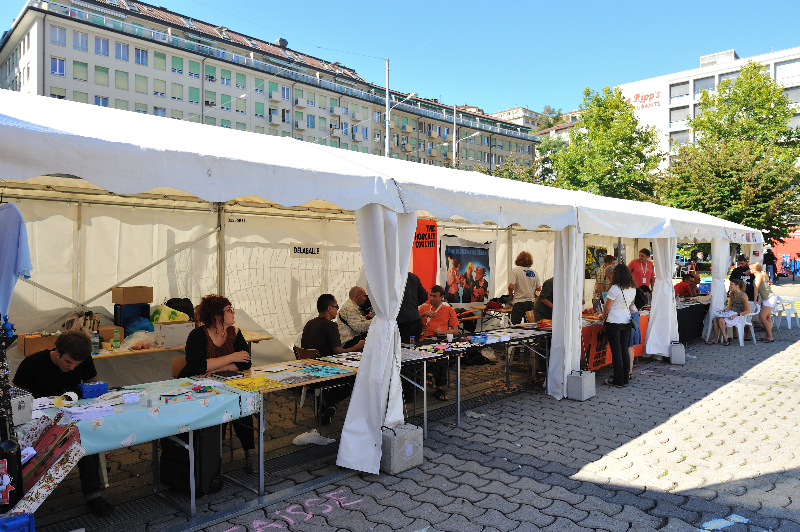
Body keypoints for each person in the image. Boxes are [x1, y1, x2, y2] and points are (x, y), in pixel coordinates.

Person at [13, 331, 114, 516]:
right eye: (68, 362)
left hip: (72, 416)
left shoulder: (83, 360)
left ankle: (94, 495)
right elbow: (16, 399)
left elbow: (93, 388)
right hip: (39, 421)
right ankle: (22, 498)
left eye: (77, 364)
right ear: (57, 352)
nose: (72, 368)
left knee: (86, 435)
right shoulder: (32, 363)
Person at [180, 295, 258, 473]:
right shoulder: (198, 335)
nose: (233, 312)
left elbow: (246, 363)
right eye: (229, 310)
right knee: (219, 407)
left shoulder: (235, 333)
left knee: (241, 404)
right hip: (195, 388)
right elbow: (198, 367)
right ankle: (212, 459)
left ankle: (250, 453)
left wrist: (217, 367)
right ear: (217, 316)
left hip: (223, 383)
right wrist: (233, 357)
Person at [302, 294, 364, 424]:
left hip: (308, 371)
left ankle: (329, 404)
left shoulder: (309, 324)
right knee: (358, 376)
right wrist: (357, 346)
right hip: (325, 373)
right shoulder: (330, 326)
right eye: (337, 307)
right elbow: (338, 352)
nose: (338, 309)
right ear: (329, 308)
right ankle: (330, 400)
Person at [418, 285, 459, 401]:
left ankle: (430, 373)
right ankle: (439, 388)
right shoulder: (424, 308)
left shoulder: (449, 310)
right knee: (439, 353)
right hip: (425, 340)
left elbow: (455, 331)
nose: (431, 298)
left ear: (441, 297)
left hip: (441, 340)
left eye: (434, 296)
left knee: (441, 352)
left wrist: (443, 332)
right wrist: (424, 314)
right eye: (430, 295)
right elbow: (414, 321)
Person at [600, 264, 637, 388]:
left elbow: (607, 307)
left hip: (614, 321)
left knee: (617, 352)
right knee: (624, 350)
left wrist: (602, 316)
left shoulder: (615, 288)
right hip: (626, 321)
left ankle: (618, 380)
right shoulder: (632, 288)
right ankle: (625, 378)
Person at [709, 279, 751, 346]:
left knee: (720, 319)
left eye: (731, 284)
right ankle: (715, 338)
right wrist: (724, 311)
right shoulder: (732, 293)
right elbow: (730, 306)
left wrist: (737, 314)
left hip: (739, 315)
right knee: (714, 319)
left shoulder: (743, 296)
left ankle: (725, 337)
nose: (730, 286)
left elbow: (748, 310)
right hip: (732, 312)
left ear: (737, 286)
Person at [508, 251, 542, 325]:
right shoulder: (534, 272)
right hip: (531, 302)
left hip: (519, 301)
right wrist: (530, 287)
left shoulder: (515, 271)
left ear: (518, 259)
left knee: (515, 325)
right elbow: (539, 289)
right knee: (530, 325)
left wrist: (510, 294)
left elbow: (511, 286)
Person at [730, 254, 756, 340]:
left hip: (750, 295)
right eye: (739, 263)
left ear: (747, 261)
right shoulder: (736, 270)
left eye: (742, 263)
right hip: (738, 295)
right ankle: (734, 333)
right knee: (734, 311)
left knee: (749, 315)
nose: (741, 265)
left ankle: (748, 334)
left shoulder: (752, 270)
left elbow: (760, 273)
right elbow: (731, 279)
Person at [397, 272, 429, 343]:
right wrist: (413, 305)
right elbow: (424, 296)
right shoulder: (413, 277)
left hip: (402, 319)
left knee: (403, 346)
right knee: (415, 345)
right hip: (415, 318)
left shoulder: (393, 276)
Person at [751, 262, 776, 342]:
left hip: (769, 298)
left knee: (762, 317)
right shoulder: (760, 274)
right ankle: (767, 335)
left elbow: (756, 288)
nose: (750, 270)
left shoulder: (759, 275)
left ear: (755, 269)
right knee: (767, 317)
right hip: (765, 298)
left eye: (750, 269)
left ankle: (770, 337)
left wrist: (755, 299)